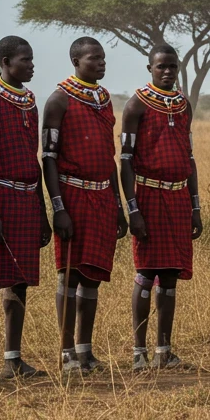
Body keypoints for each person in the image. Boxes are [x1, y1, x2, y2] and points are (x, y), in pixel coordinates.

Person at [42, 37, 126, 374]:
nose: (102, 63)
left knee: (92, 275)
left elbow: (110, 158)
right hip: (73, 194)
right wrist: (58, 207)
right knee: (70, 273)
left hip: (102, 194)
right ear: (76, 61)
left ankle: (85, 350)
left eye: (104, 58)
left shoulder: (103, 99)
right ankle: (65, 354)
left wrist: (118, 204)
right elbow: (48, 158)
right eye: (95, 58)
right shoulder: (59, 100)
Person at [0, 35, 51, 382]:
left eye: (32, 60)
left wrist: (43, 212)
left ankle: (13, 358)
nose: (32, 65)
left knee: (19, 281)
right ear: (5, 61)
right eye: (25, 60)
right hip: (0, 194)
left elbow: (33, 159)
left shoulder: (29, 100)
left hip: (27, 196)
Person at [120, 44, 201, 371]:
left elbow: (190, 158)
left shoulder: (183, 106)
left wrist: (195, 206)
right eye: (160, 67)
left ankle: (163, 351)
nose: (167, 72)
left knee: (170, 274)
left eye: (172, 66)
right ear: (150, 68)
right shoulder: (135, 105)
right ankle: (139, 352)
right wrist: (133, 209)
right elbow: (125, 161)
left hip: (179, 197)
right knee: (145, 271)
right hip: (149, 196)